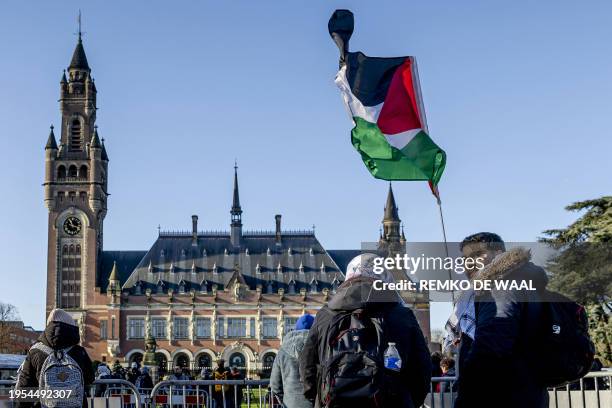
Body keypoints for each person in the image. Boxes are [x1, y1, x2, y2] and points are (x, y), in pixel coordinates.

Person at [300, 253, 431, 408]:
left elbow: (306, 365)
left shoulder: (326, 315)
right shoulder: (402, 316)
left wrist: (319, 399)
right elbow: (422, 368)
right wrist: (409, 401)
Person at [452, 233, 549, 408]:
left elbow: (492, 345)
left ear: (498, 253)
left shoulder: (499, 285)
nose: (469, 263)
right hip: (526, 392)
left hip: (500, 395)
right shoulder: (523, 282)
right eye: (465, 258)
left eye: (477, 255)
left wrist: (466, 396)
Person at [16, 308, 94, 408]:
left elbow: (24, 387)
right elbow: (90, 378)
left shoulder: (35, 351)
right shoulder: (79, 352)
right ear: (71, 326)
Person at [271, 314, 315, 408]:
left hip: (290, 403)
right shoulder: (320, 348)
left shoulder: (282, 351)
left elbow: (275, 385)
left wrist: (286, 399)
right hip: (314, 403)